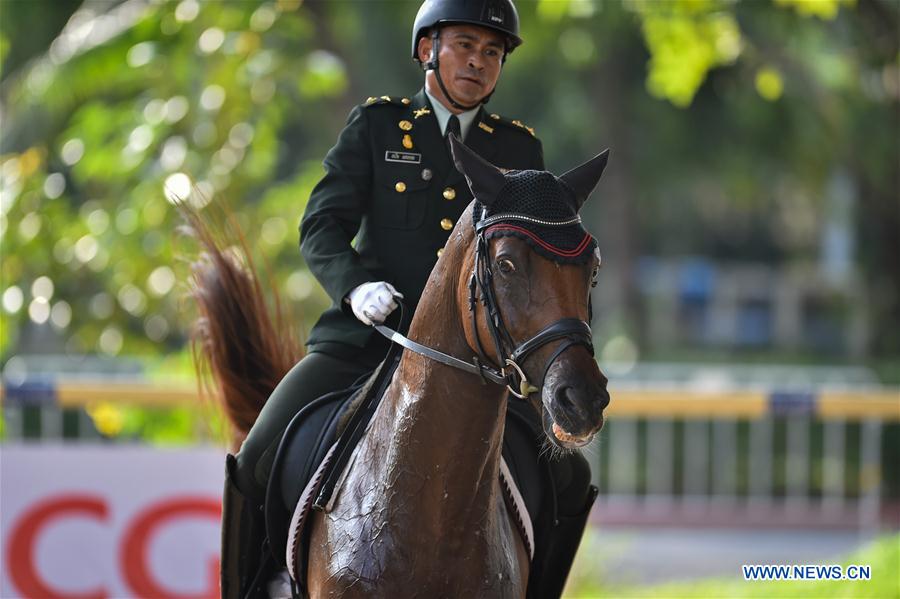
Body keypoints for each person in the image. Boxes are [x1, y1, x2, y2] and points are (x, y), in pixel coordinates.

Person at [222, 1, 595, 598]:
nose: (479, 62)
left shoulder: (520, 150)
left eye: (493, 53)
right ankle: (249, 587)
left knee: (570, 474)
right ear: (428, 49)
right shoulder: (377, 126)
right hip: (369, 339)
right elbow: (320, 226)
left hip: (479, 359)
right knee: (259, 452)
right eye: (465, 46)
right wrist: (353, 287)